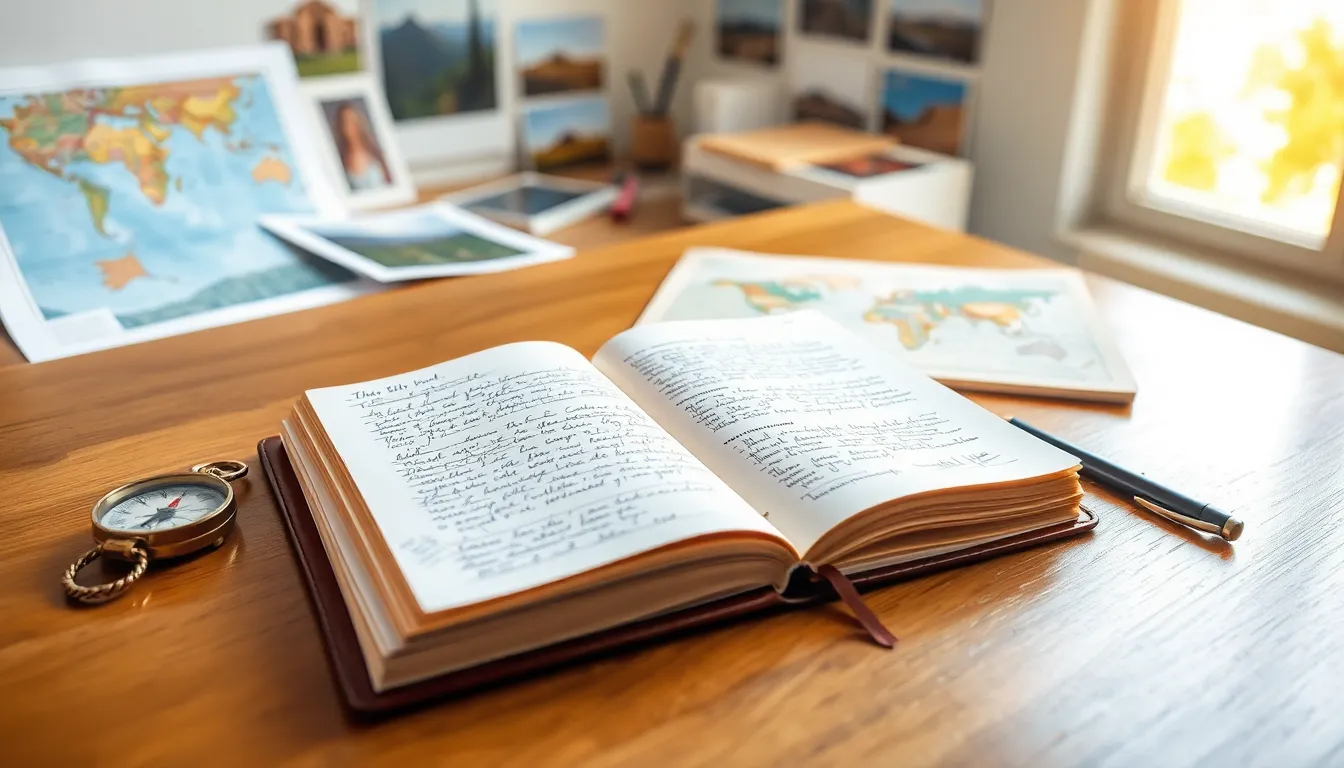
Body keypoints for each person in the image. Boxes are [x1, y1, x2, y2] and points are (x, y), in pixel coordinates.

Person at [332, 101, 391, 191]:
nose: (349, 126)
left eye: (352, 120)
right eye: (345, 122)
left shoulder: (376, 151)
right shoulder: (337, 159)